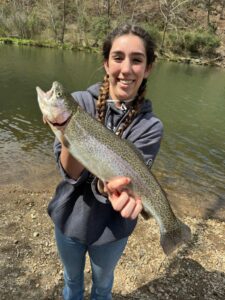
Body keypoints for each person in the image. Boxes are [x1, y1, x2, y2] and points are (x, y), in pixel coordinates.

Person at [48, 23, 163, 300]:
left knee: (102, 288)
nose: (126, 69)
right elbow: (71, 174)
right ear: (105, 63)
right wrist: (66, 135)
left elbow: (132, 180)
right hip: (69, 220)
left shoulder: (150, 126)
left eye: (137, 60)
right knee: (72, 283)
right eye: (118, 57)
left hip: (113, 230)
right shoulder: (77, 104)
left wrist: (105, 189)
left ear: (148, 68)